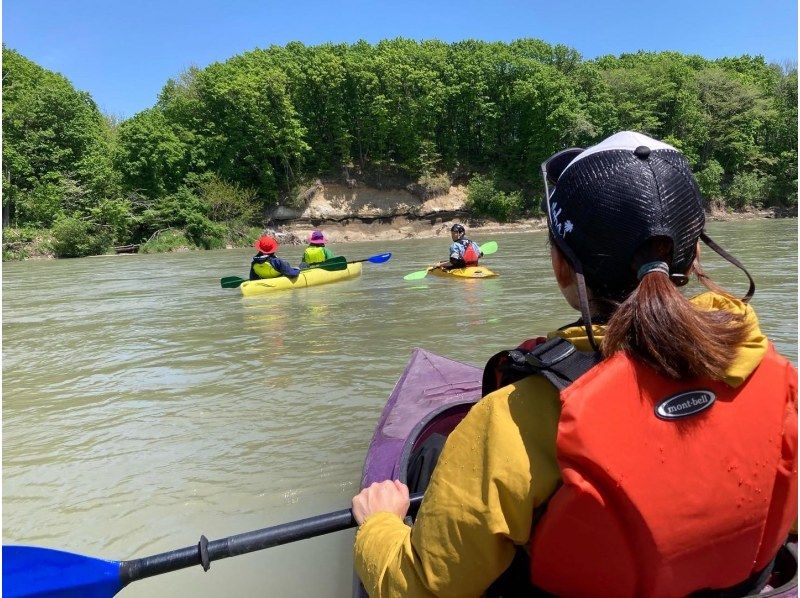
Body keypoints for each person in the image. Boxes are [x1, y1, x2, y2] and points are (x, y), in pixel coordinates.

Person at [351, 131, 797, 597]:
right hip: (740, 583)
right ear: (697, 252)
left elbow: (424, 588)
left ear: (561, 267)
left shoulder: (516, 416)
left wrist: (380, 523)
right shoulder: (771, 369)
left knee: (433, 459)